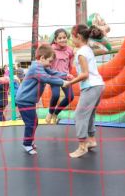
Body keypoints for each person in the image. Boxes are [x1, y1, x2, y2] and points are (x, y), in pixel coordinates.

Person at [15, 44, 69, 155]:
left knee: (34, 122)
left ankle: (29, 141)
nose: (50, 64)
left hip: (28, 100)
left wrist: (66, 75)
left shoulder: (42, 66)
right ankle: (27, 144)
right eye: (50, 61)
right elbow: (46, 78)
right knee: (31, 122)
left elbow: (53, 73)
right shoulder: (36, 68)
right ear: (42, 58)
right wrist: (62, 82)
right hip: (24, 100)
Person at [65, 24, 105, 158]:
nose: (71, 39)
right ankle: (92, 140)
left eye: (72, 36)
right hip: (97, 85)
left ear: (79, 37)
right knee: (89, 114)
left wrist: (70, 82)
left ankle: (82, 146)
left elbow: (85, 74)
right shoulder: (87, 49)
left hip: (91, 86)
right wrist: (74, 77)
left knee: (79, 115)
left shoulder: (81, 52)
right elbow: (86, 72)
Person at [45, 28, 75, 125]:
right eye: (60, 38)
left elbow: (70, 63)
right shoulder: (51, 49)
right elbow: (47, 62)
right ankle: (50, 112)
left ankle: (56, 113)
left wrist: (69, 73)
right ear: (55, 40)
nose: (62, 40)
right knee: (56, 95)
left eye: (64, 37)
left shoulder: (70, 50)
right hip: (54, 77)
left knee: (71, 96)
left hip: (65, 76)